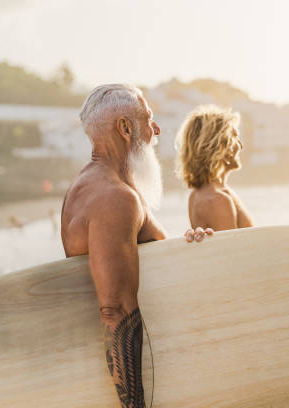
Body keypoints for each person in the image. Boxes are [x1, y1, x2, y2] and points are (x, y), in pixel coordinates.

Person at [61, 84, 211, 408]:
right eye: (148, 119)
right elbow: (115, 311)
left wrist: (186, 248)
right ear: (125, 128)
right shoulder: (114, 198)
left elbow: (147, 261)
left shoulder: (97, 185)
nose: (156, 129)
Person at [176, 105, 254, 231]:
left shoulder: (197, 194)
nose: (240, 145)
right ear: (220, 145)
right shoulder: (217, 201)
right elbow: (233, 250)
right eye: (235, 136)